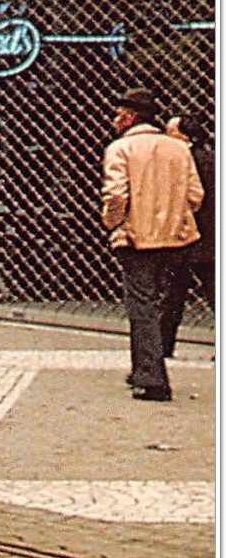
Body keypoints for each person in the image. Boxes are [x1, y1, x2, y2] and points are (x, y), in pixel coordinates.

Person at [101, 88, 204, 401]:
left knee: (141, 304)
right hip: (176, 237)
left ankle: (151, 375)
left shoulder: (121, 149)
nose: (114, 120)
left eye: (119, 114)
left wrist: (112, 222)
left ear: (130, 117)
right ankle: (147, 366)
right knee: (164, 301)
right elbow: (195, 195)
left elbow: (117, 195)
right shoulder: (178, 150)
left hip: (137, 237)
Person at [160, 113, 214, 357]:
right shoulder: (212, 159)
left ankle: (163, 345)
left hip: (185, 235)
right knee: (214, 292)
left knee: (173, 293)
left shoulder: (180, 161)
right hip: (210, 238)